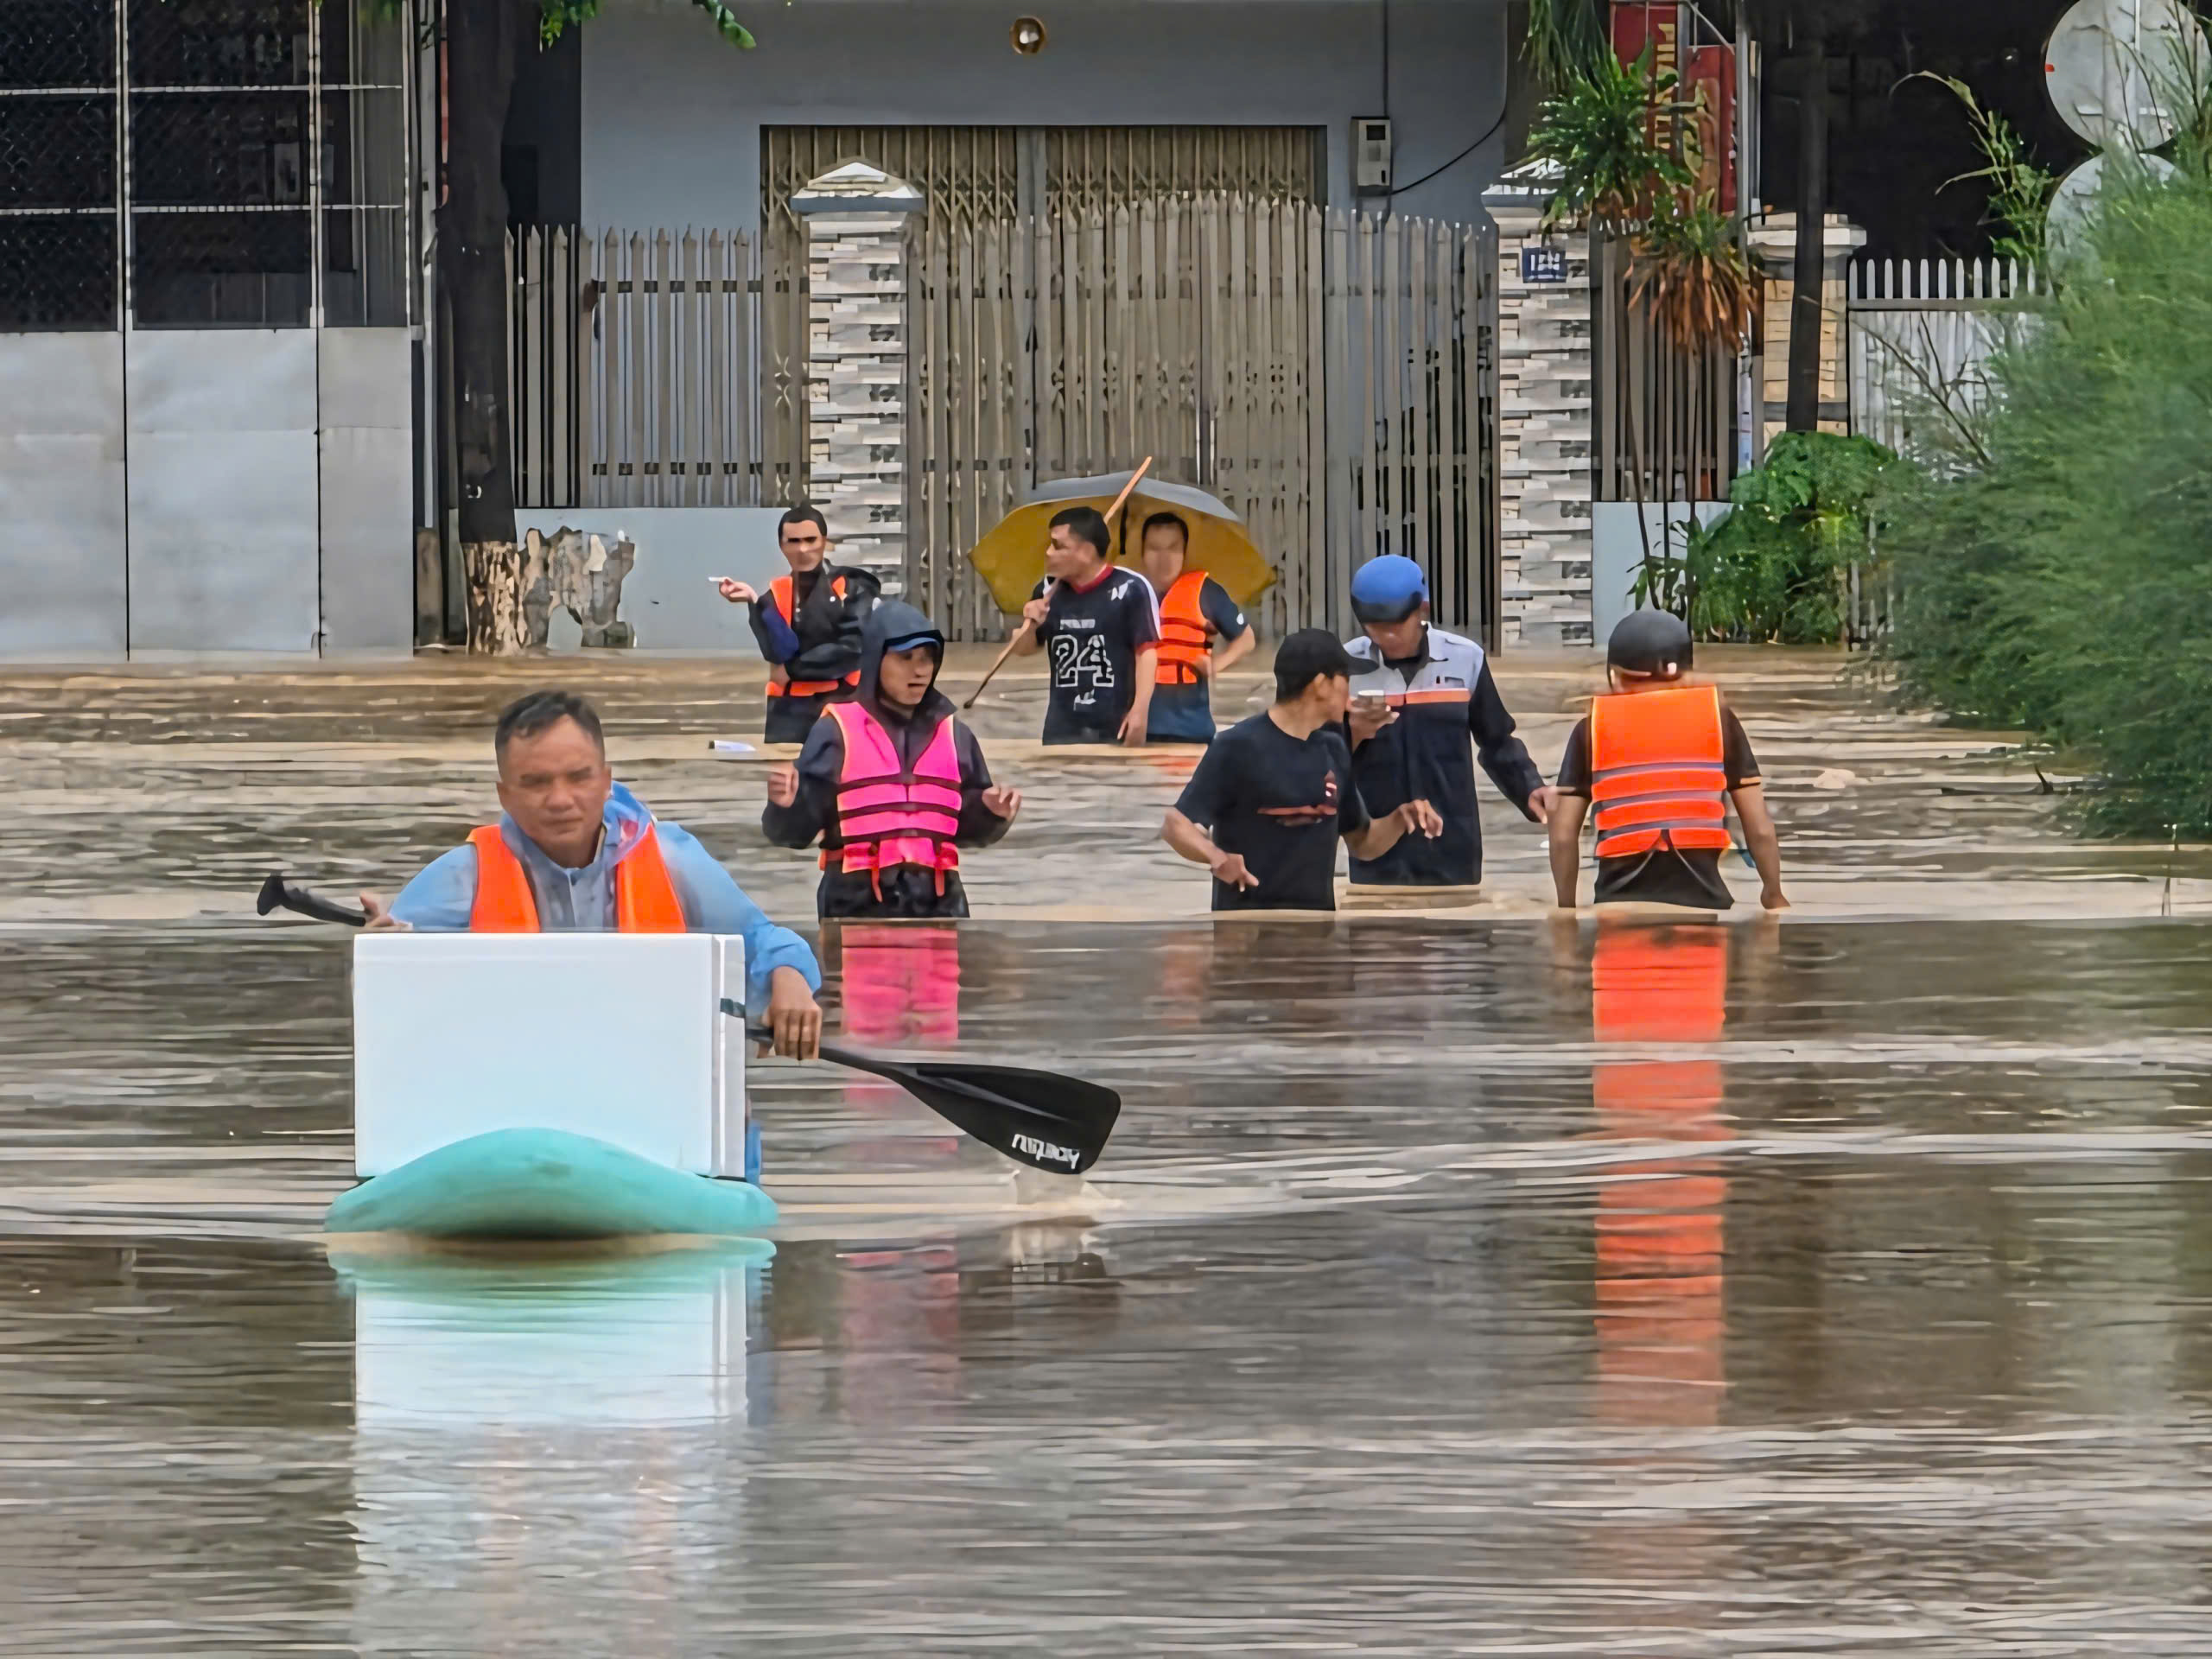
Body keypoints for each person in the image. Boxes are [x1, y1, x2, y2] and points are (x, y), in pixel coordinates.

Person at [361, 689, 824, 1057]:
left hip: (650, 1084)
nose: (561, 800)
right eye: (536, 783)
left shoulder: (672, 859)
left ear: (606, 781)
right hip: (518, 1096)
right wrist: (382, 950)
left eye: (578, 778)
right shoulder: (463, 876)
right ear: (504, 795)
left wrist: (790, 981)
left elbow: (767, 941)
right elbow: (396, 975)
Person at [761, 600, 1020, 918]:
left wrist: (991, 813)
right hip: (854, 903)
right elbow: (793, 835)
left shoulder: (956, 735)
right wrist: (786, 805)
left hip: (940, 904)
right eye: (905, 658)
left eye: (928, 658)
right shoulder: (836, 731)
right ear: (875, 660)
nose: (920, 670)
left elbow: (966, 831)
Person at [1161, 628, 1443, 912]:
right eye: (1345, 678)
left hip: (1317, 936)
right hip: (1246, 933)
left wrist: (1401, 818)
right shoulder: (1237, 746)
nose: (1350, 689)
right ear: (1321, 684)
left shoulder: (1332, 748)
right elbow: (1176, 825)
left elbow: (1362, 841)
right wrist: (1216, 856)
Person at [1548, 609, 1788, 912]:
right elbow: (1760, 829)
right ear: (1685, 674)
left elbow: (1562, 836)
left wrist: (1566, 911)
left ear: (1614, 675)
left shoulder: (1591, 729)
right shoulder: (1719, 721)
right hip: (1704, 906)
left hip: (1618, 907)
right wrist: (1773, 894)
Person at [1341, 554, 1554, 888]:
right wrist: (1351, 731)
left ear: (1422, 610)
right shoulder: (1345, 667)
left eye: (1397, 626)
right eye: (1376, 629)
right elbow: (1323, 755)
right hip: (1376, 846)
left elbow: (1496, 740)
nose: (1389, 638)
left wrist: (1530, 788)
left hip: (1453, 842)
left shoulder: (1464, 658)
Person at [716, 506, 881, 744]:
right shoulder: (777, 594)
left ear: (824, 541)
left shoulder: (854, 586)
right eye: (793, 541)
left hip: (842, 705)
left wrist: (792, 669)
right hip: (789, 713)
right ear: (782, 546)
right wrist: (753, 600)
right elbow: (778, 651)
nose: (802, 549)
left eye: (810, 540)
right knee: (784, 778)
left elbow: (851, 650)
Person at [1011, 505, 1160, 746]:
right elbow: (1023, 649)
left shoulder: (1131, 588)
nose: (1048, 553)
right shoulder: (1048, 590)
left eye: (1058, 546)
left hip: (1114, 724)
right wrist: (1030, 623)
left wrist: (1140, 711)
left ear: (1087, 551)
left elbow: (1147, 653)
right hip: (1060, 728)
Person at [1135, 511, 1255, 745]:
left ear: (1184, 552)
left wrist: (1216, 664)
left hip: (1193, 732)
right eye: (1154, 549)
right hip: (1137, 731)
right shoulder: (1126, 593)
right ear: (1142, 553)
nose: (1164, 558)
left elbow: (1246, 639)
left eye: (1173, 548)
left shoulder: (1207, 593)